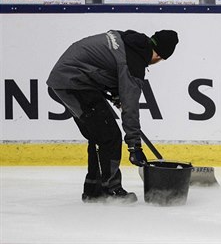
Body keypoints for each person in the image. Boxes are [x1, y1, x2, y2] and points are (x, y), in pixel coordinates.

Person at [47, 29, 179, 203]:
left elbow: (104, 65)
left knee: (99, 135)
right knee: (109, 136)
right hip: (73, 82)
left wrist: (117, 92)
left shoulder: (130, 41)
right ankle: (110, 190)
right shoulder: (134, 63)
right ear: (159, 56)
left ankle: (94, 190)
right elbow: (130, 109)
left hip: (73, 78)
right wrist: (135, 147)